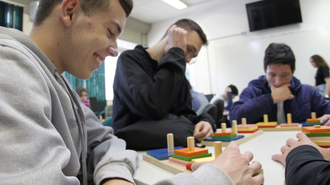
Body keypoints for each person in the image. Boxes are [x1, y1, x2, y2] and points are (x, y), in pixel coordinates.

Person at [0, 0, 264, 184]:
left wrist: (114, 174)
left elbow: (104, 140)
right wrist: (217, 179)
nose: (115, 49)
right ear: (69, 11)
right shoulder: (10, 70)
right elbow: (152, 108)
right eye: (111, 32)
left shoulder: (58, 83)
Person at [112, 19, 216, 143]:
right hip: (132, 151)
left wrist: (204, 122)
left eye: (193, 56)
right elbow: (153, 107)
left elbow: (186, 114)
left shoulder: (176, 71)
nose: (188, 59)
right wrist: (176, 51)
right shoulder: (129, 60)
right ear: (172, 35)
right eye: (188, 49)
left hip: (168, 148)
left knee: (187, 129)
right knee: (185, 130)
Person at [230, 43, 330, 125]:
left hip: (300, 146)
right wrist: (271, 98)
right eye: (272, 75)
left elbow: (327, 109)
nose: (278, 82)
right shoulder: (252, 91)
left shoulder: (308, 92)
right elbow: (234, 119)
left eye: (284, 75)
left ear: (293, 71)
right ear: (265, 71)